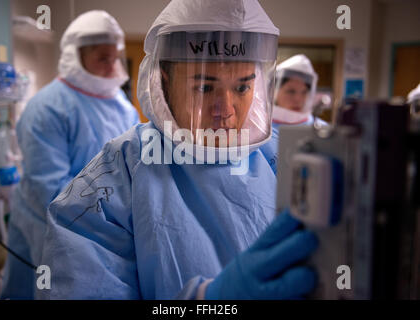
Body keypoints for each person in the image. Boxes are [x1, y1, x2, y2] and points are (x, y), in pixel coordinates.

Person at [39, 0, 318, 300]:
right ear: (164, 82)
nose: (225, 110)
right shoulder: (115, 179)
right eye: (204, 88)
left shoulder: (283, 160)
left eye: (241, 88)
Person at [1, 10, 139, 299]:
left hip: (108, 234)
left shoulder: (122, 106)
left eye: (114, 58)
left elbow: (133, 170)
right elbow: (49, 190)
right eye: (103, 58)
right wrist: (112, 222)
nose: (112, 66)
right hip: (52, 233)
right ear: (76, 56)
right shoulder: (47, 108)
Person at [272, 54, 321, 127]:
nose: (298, 99)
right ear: (274, 92)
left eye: (304, 92)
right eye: (291, 91)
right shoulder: (260, 130)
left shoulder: (321, 130)